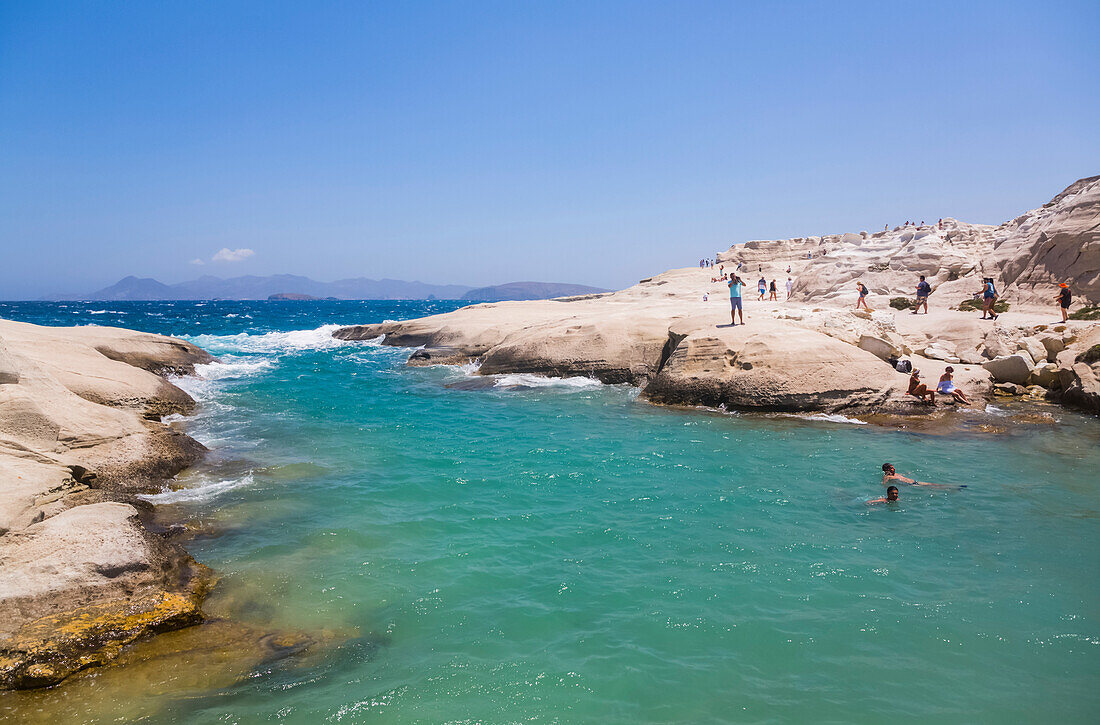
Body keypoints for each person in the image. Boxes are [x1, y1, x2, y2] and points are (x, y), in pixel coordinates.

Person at [881, 463, 950, 489]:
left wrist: (908, 473)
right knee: (931, 487)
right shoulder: (887, 477)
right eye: (891, 468)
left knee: (931, 484)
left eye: (893, 467)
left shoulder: (895, 474)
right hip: (910, 485)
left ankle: (948, 487)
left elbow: (902, 476)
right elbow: (884, 484)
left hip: (914, 482)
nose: (894, 469)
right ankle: (948, 488)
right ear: (887, 470)